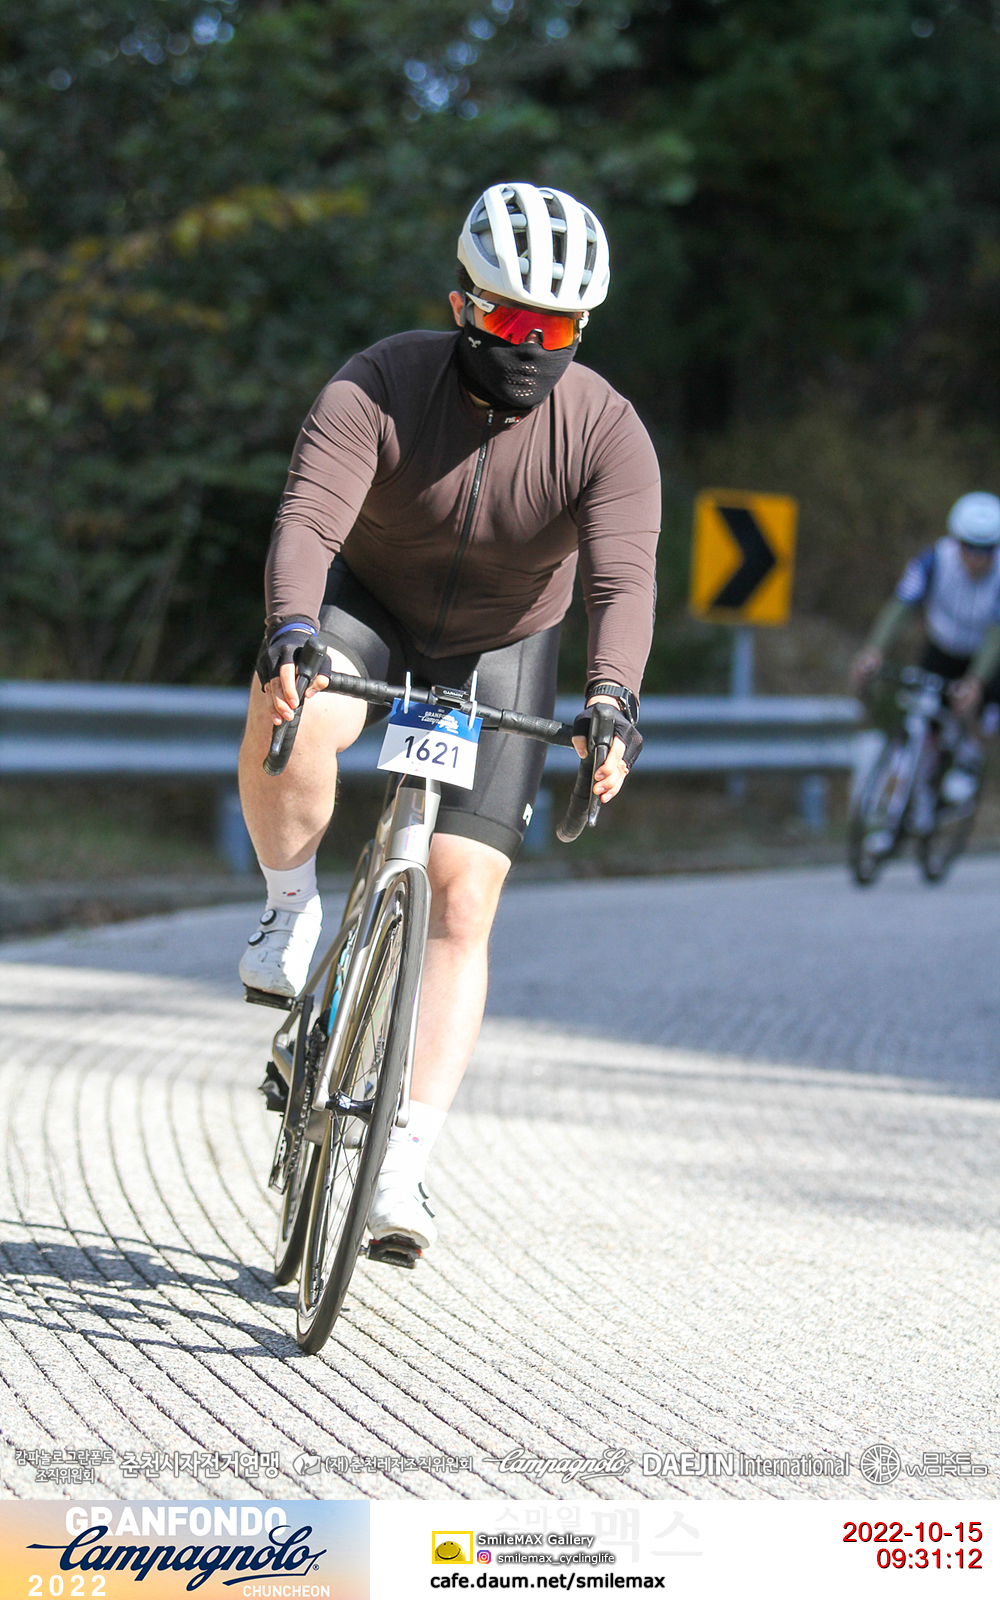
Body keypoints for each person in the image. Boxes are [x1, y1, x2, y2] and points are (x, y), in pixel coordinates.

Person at [236, 183, 660, 1255]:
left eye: (555, 329)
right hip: (369, 607)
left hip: (503, 641)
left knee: (464, 898)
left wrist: (611, 698)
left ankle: (401, 1165)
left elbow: (622, 584)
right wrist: (293, 628)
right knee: (298, 707)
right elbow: (308, 521)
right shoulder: (379, 383)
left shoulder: (605, 429)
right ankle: (289, 912)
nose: (529, 346)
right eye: (509, 319)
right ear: (462, 303)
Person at [851, 491, 1000, 804]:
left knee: (982, 712)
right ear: (956, 541)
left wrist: (976, 681)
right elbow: (901, 605)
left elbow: (996, 635)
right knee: (922, 717)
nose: (977, 558)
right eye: (969, 547)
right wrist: (874, 649)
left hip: (987, 656)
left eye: (987, 549)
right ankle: (918, 782)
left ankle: (969, 759)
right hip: (941, 648)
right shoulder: (932, 560)